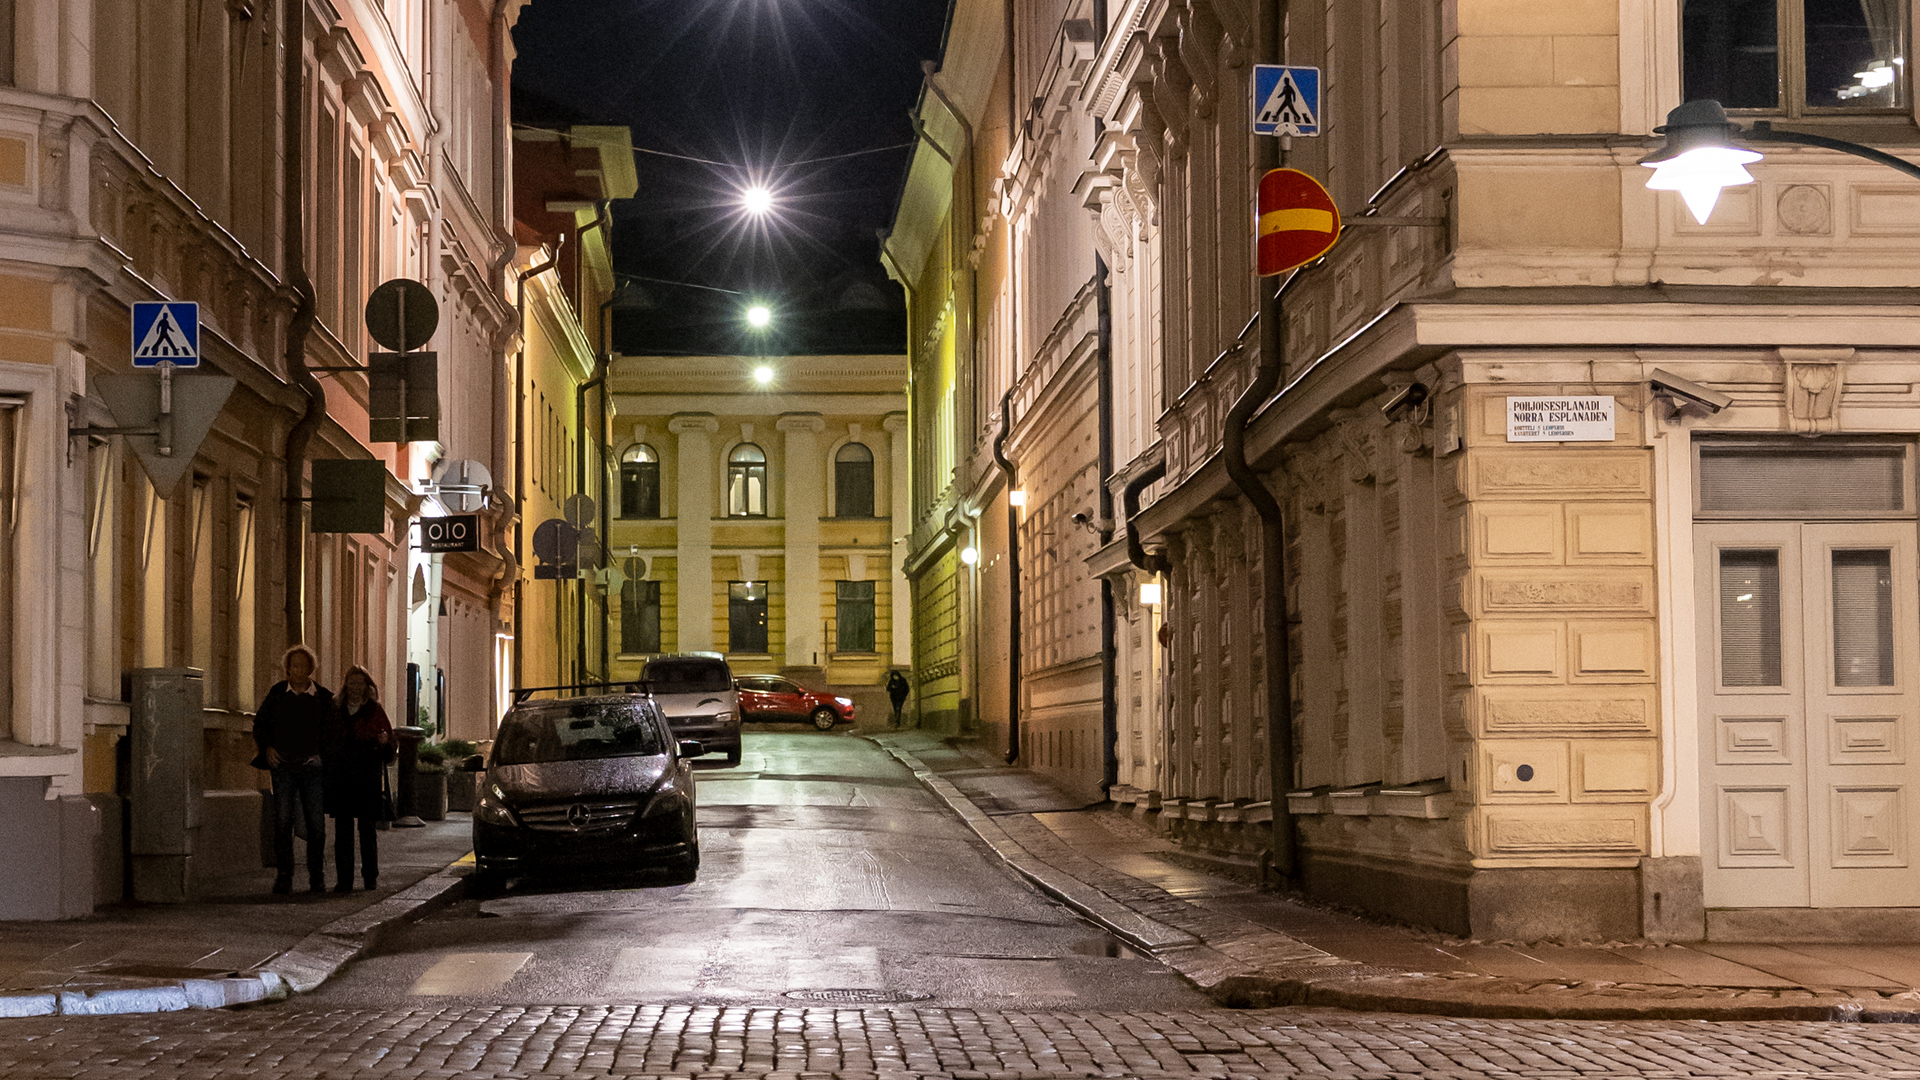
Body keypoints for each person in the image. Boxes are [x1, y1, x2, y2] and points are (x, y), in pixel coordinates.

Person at [253, 645, 333, 894]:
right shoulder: (278, 693)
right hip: (284, 766)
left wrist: (322, 756)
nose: (297, 671)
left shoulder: (323, 697)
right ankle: (284, 876)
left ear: (311, 668)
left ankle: (316, 876)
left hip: (311, 768)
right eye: (293, 666)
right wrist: (267, 748)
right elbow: (260, 723)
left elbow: (332, 732)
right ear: (287, 668)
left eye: (302, 666)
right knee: (283, 820)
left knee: (315, 825)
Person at [321, 664, 394, 893]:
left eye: (360, 682)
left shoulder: (374, 710)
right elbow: (327, 739)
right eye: (351, 682)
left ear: (366, 686)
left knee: (366, 828)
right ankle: (344, 880)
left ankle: (370, 877)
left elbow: (390, 744)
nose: (355, 687)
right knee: (343, 830)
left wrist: (384, 743)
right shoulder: (336, 708)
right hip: (342, 776)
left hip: (366, 776)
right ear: (346, 684)